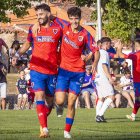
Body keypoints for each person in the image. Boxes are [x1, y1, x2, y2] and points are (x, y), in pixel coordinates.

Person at [14, 4, 62, 138]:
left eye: (41, 14)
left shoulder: (58, 29)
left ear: (48, 14)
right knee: (39, 96)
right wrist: (17, 55)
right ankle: (45, 129)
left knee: (50, 103)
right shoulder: (33, 29)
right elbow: (27, 44)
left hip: (52, 71)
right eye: (37, 15)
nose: (38, 17)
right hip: (36, 69)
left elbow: (69, 26)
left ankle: (42, 122)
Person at [54, 7, 99, 138]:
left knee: (72, 102)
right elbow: (49, 16)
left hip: (78, 72)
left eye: (77, 18)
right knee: (60, 100)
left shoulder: (85, 34)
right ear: (69, 18)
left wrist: (93, 61)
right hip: (63, 70)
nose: (74, 21)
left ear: (80, 19)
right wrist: (36, 25)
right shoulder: (63, 27)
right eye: (72, 18)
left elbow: (96, 51)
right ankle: (59, 106)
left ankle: (67, 130)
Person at [95, 37, 118, 122]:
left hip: (98, 77)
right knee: (111, 96)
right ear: (107, 43)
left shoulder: (98, 52)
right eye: (110, 43)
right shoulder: (104, 53)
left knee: (101, 98)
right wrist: (109, 77)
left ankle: (97, 116)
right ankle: (100, 115)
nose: (111, 45)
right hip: (103, 77)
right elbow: (104, 65)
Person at [117, 38, 140, 121]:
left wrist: (119, 48)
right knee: (137, 100)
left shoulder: (135, 55)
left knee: (138, 99)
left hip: (138, 81)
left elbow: (121, 55)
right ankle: (133, 116)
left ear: (136, 45)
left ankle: (133, 115)